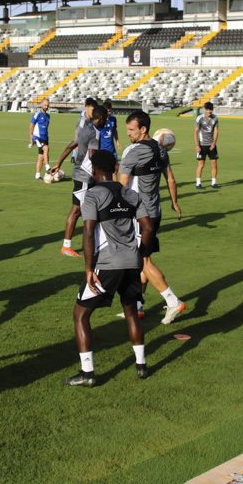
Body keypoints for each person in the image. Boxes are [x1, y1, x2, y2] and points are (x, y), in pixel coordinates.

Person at [63, 150, 154, 387]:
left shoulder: (93, 195)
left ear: (94, 171)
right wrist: (141, 254)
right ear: (114, 167)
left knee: (80, 315)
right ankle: (141, 366)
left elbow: (88, 231)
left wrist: (88, 269)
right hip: (132, 263)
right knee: (132, 312)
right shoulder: (131, 194)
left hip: (106, 264)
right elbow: (148, 227)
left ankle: (88, 373)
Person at [118, 111, 185, 324]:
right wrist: (175, 203)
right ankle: (137, 306)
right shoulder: (161, 149)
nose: (128, 133)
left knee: (142, 260)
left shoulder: (132, 152)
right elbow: (171, 179)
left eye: (131, 130)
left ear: (143, 129)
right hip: (155, 212)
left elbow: (122, 186)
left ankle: (173, 301)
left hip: (139, 215)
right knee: (143, 259)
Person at [51, 105, 107, 257]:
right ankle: (72, 246)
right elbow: (93, 157)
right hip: (85, 176)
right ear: (100, 117)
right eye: (106, 118)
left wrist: (58, 163)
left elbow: (71, 146)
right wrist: (101, 179)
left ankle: (76, 245)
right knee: (80, 211)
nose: (107, 121)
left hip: (80, 174)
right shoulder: (94, 132)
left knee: (82, 210)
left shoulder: (85, 129)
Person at [194, 102, 220, 189]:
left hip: (211, 145)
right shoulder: (200, 118)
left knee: (214, 164)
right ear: (205, 109)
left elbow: (216, 131)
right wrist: (197, 145)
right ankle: (198, 184)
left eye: (211, 110)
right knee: (201, 164)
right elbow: (195, 131)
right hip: (202, 145)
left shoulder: (215, 118)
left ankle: (214, 183)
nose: (209, 111)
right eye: (208, 110)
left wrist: (214, 143)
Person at [29, 98, 52, 180]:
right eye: (45, 105)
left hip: (45, 137)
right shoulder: (37, 114)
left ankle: (37, 176)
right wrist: (31, 137)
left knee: (41, 157)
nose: (46, 107)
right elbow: (31, 125)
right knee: (46, 148)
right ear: (41, 104)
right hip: (38, 137)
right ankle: (47, 167)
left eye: (47, 105)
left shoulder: (48, 116)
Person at [99, 100, 122, 169]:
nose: (109, 113)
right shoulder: (100, 120)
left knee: (115, 168)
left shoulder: (113, 119)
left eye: (110, 111)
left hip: (112, 149)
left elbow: (114, 130)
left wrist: (117, 141)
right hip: (102, 149)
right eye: (107, 111)